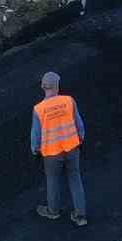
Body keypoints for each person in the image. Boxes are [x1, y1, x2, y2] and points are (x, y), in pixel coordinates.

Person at [31, 71, 87, 226]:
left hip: (51, 153)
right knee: (75, 178)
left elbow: (35, 135)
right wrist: (80, 138)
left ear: (43, 87)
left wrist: (35, 149)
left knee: (53, 180)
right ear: (57, 86)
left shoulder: (38, 109)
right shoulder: (69, 101)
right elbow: (79, 124)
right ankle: (80, 215)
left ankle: (53, 211)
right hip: (72, 147)